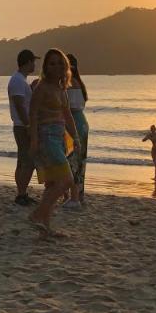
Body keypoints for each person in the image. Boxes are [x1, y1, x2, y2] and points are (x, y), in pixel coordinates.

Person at [29, 49, 81, 237]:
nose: (57, 67)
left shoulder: (61, 89)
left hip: (59, 138)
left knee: (52, 185)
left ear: (65, 66)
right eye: (52, 63)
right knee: (66, 180)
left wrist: (75, 137)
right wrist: (34, 140)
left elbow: (67, 115)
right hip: (46, 137)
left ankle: (46, 226)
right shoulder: (41, 87)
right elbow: (33, 114)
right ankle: (37, 215)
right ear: (46, 67)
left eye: (60, 63)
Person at [8, 49, 38, 206]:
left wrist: (31, 89)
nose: (35, 64)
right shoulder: (17, 81)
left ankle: (22, 193)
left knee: (23, 160)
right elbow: (20, 105)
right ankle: (21, 193)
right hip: (22, 125)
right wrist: (28, 125)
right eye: (33, 61)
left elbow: (23, 102)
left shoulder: (20, 80)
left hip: (21, 124)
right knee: (28, 160)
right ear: (27, 62)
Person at [64, 53, 89, 208]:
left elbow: (66, 107)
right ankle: (78, 195)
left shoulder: (70, 83)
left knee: (72, 161)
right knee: (80, 161)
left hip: (73, 122)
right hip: (81, 122)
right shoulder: (80, 82)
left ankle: (73, 197)